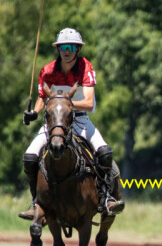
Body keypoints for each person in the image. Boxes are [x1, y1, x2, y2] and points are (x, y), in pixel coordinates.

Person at [20, 28, 124, 220]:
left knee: (105, 152)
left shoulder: (85, 67)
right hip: (54, 123)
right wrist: (34, 112)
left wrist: (63, 104)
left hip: (80, 120)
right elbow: (43, 97)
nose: (67, 51)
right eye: (63, 47)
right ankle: (36, 202)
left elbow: (89, 103)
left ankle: (106, 198)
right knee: (29, 157)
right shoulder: (48, 70)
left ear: (78, 49)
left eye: (71, 47)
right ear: (58, 49)